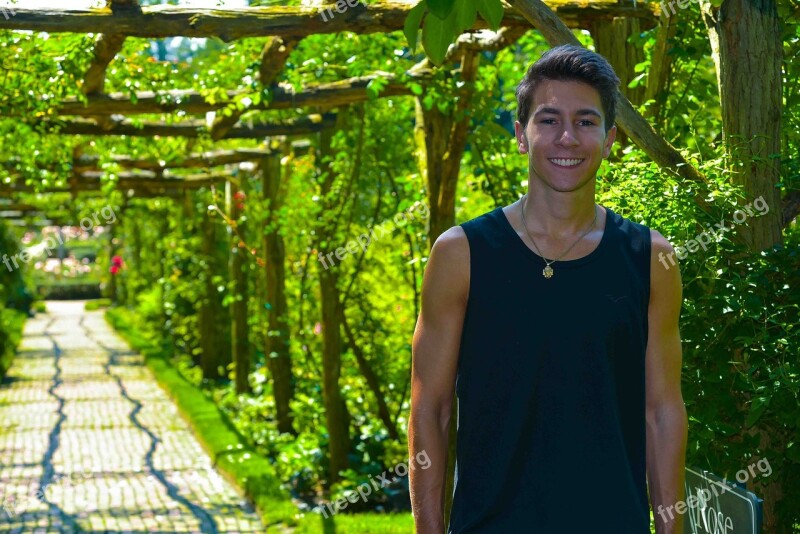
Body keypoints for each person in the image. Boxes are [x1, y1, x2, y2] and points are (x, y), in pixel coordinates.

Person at [408, 45, 688, 533]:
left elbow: (662, 413)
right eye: (548, 120)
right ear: (521, 135)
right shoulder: (461, 255)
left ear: (610, 139)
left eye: (585, 121)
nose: (567, 137)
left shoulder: (650, 258)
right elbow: (429, 409)